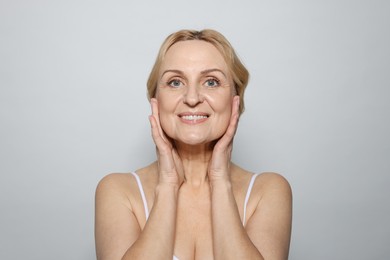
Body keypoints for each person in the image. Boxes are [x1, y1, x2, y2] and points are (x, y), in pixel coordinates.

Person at [95, 29, 292, 260]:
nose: (191, 98)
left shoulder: (268, 191)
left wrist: (220, 180)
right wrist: (168, 184)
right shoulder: (118, 191)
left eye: (211, 81)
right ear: (156, 100)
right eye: (175, 82)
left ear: (234, 100)